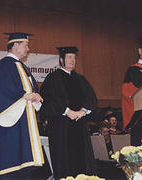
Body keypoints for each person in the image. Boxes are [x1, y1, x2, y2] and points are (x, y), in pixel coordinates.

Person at [0, 32, 44, 179]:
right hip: (13, 123)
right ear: (16, 45)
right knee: (13, 164)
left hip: (25, 121)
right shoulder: (4, 65)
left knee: (25, 166)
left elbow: (31, 90)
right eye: (26, 45)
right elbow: (6, 92)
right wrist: (26, 96)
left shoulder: (22, 67)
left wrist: (35, 96)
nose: (28, 49)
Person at [40, 46, 98, 179]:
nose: (72, 60)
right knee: (63, 159)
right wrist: (66, 111)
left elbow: (91, 98)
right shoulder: (53, 78)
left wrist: (83, 111)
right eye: (69, 57)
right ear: (61, 60)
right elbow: (47, 100)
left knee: (81, 160)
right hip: (61, 126)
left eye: (74, 58)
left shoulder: (80, 79)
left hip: (80, 125)